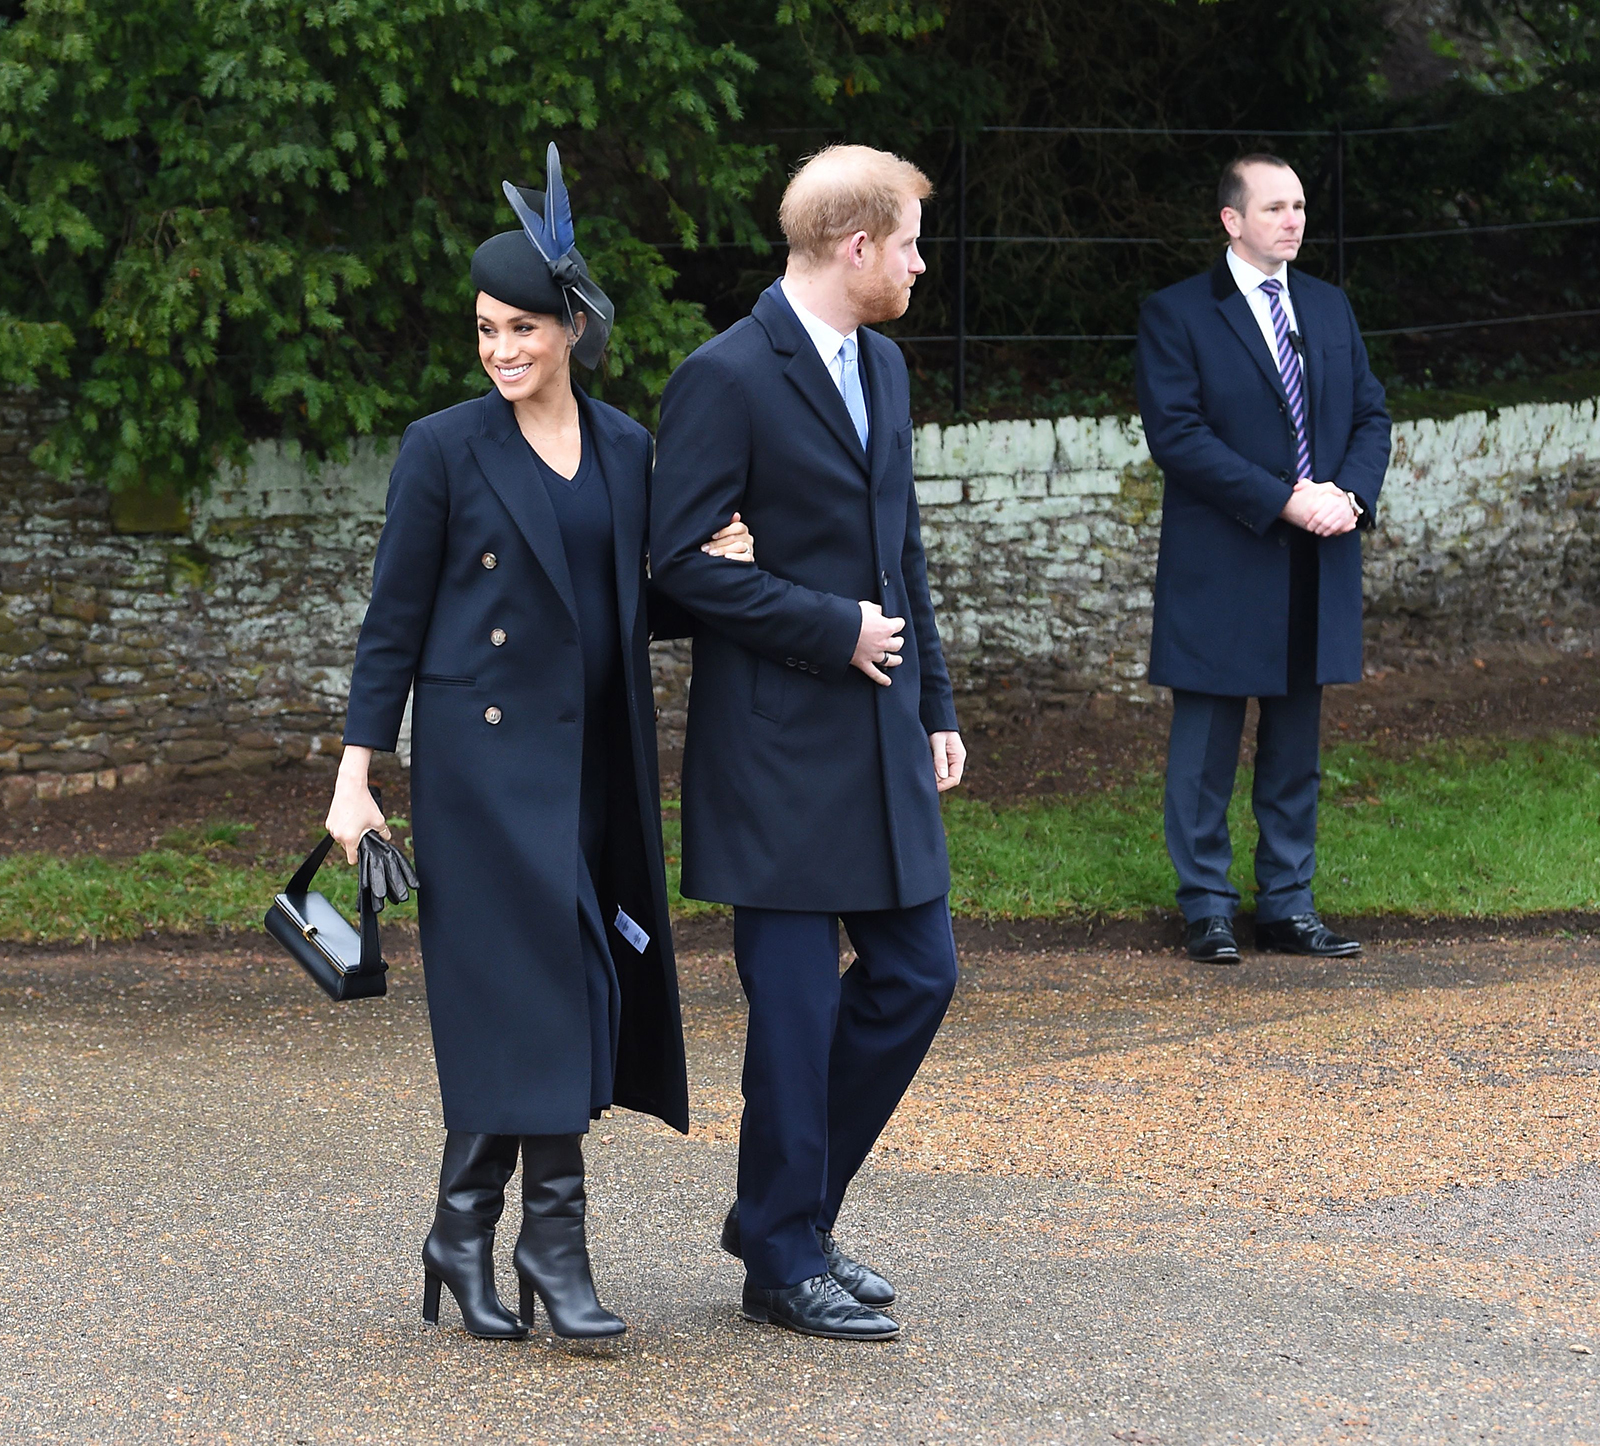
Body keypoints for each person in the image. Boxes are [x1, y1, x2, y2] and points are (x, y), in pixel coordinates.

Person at [325, 146, 755, 1342]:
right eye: (485, 330)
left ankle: (460, 1228)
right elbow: (392, 624)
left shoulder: (624, 446)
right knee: (548, 988)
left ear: (571, 326)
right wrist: (354, 779)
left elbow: (613, 603)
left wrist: (710, 573)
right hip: (481, 772)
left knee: (550, 992)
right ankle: (551, 1249)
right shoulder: (443, 447)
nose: (501, 350)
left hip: (590, 764)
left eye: (521, 327)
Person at [650, 145, 965, 1342]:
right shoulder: (725, 376)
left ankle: (782, 1215)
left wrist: (935, 704)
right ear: (856, 246)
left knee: (918, 975)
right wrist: (833, 628)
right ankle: (783, 1258)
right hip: (774, 753)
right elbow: (676, 565)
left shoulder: (882, 362)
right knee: (792, 1017)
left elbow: (902, 547)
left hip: (880, 738)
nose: (920, 265)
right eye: (910, 245)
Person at [1135, 153, 1392, 965]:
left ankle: (1287, 904)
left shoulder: (1328, 306)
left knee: (1294, 751)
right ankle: (1207, 908)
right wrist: (1285, 499)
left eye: (1301, 206)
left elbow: (1371, 415)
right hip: (1223, 561)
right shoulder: (1177, 313)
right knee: (1205, 753)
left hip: (1317, 558)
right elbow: (1178, 436)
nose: (1294, 220)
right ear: (1231, 219)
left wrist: (1350, 496)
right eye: (1276, 207)